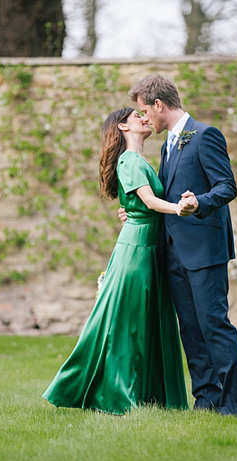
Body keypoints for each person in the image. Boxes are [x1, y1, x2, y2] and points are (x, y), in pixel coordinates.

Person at [43, 107, 189, 415]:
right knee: (126, 323)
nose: (145, 118)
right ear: (122, 126)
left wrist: (132, 211)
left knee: (145, 323)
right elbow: (149, 201)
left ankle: (150, 395)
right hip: (136, 252)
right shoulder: (130, 160)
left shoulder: (138, 160)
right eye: (137, 115)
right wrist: (181, 208)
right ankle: (112, 394)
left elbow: (138, 204)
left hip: (146, 246)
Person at [123, 74, 237, 416]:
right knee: (191, 331)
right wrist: (134, 212)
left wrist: (199, 202)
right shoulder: (167, 145)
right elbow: (164, 199)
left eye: (144, 110)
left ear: (158, 105)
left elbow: (226, 187)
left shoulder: (205, 135)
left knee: (214, 325)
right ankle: (206, 400)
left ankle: (236, 405)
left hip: (204, 250)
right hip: (173, 254)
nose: (144, 118)